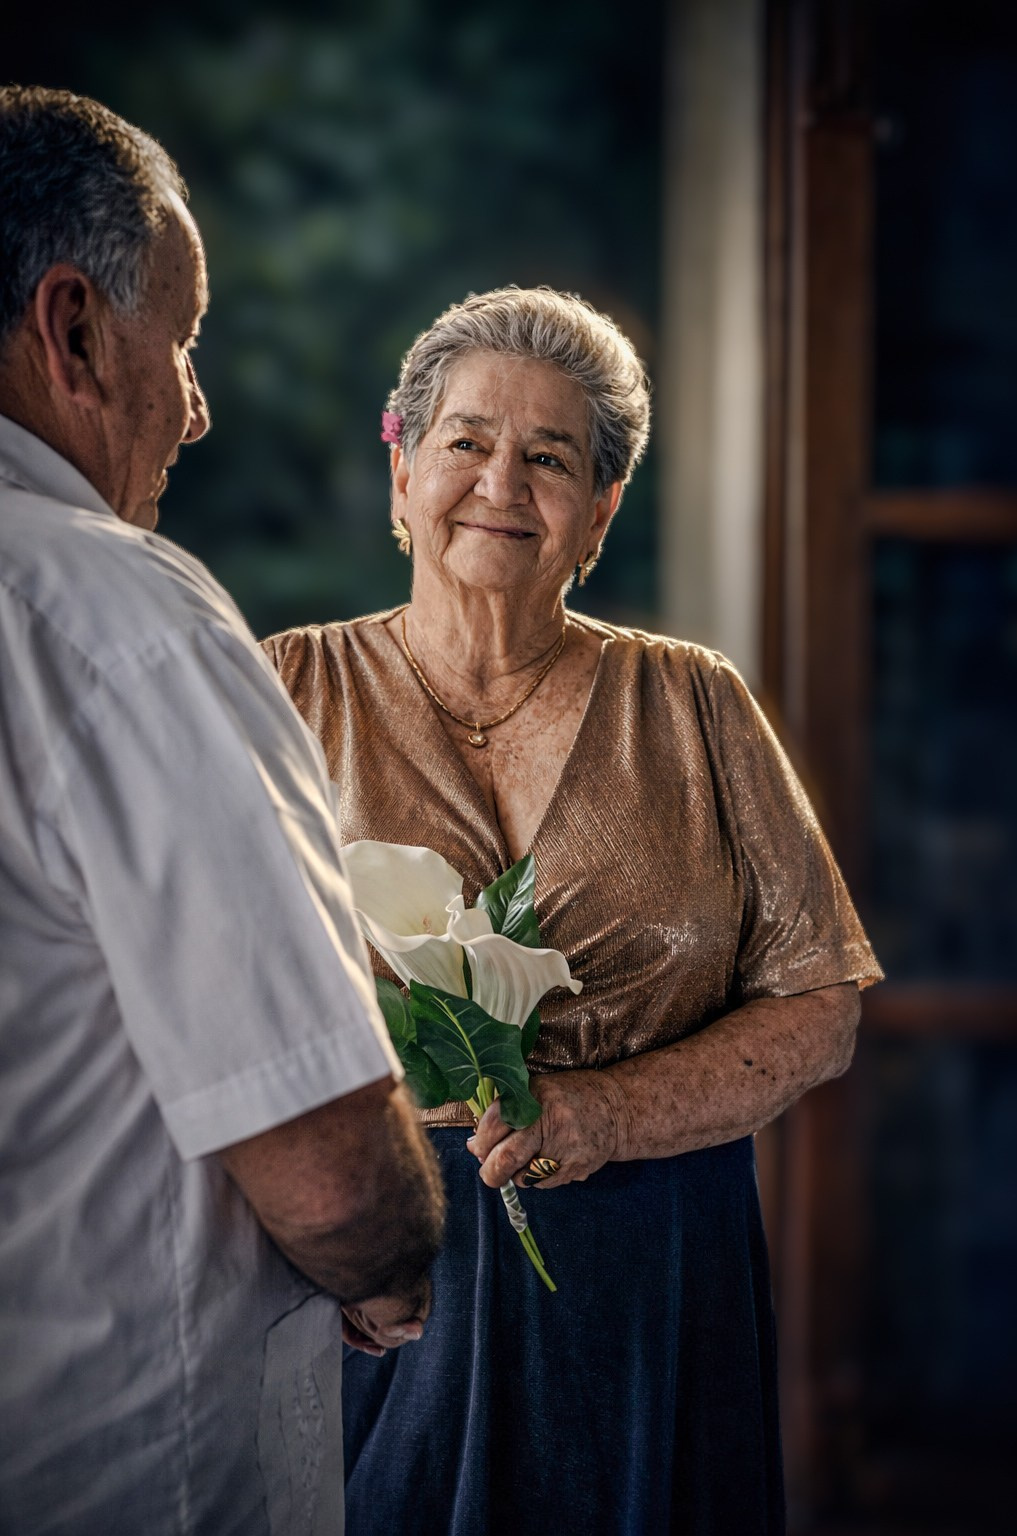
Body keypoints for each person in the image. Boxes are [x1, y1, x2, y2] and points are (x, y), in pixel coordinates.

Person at [264, 286, 883, 1535]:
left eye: (551, 458)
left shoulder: (695, 704)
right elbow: (202, 1000)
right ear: (402, 479)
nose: (502, 480)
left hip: (656, 1280)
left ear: (599, 513)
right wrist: (323, 1228)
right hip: (376, 1282)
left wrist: (609, 1111)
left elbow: (820, 1006)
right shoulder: (283, 687)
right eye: (467, 442)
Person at [0, 86, 444, 1535]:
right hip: (113, 1463)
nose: (196, 404)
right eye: (179, 342)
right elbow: (327, 1165)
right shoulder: (115, 611)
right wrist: (389, 1266)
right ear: (72, 332)